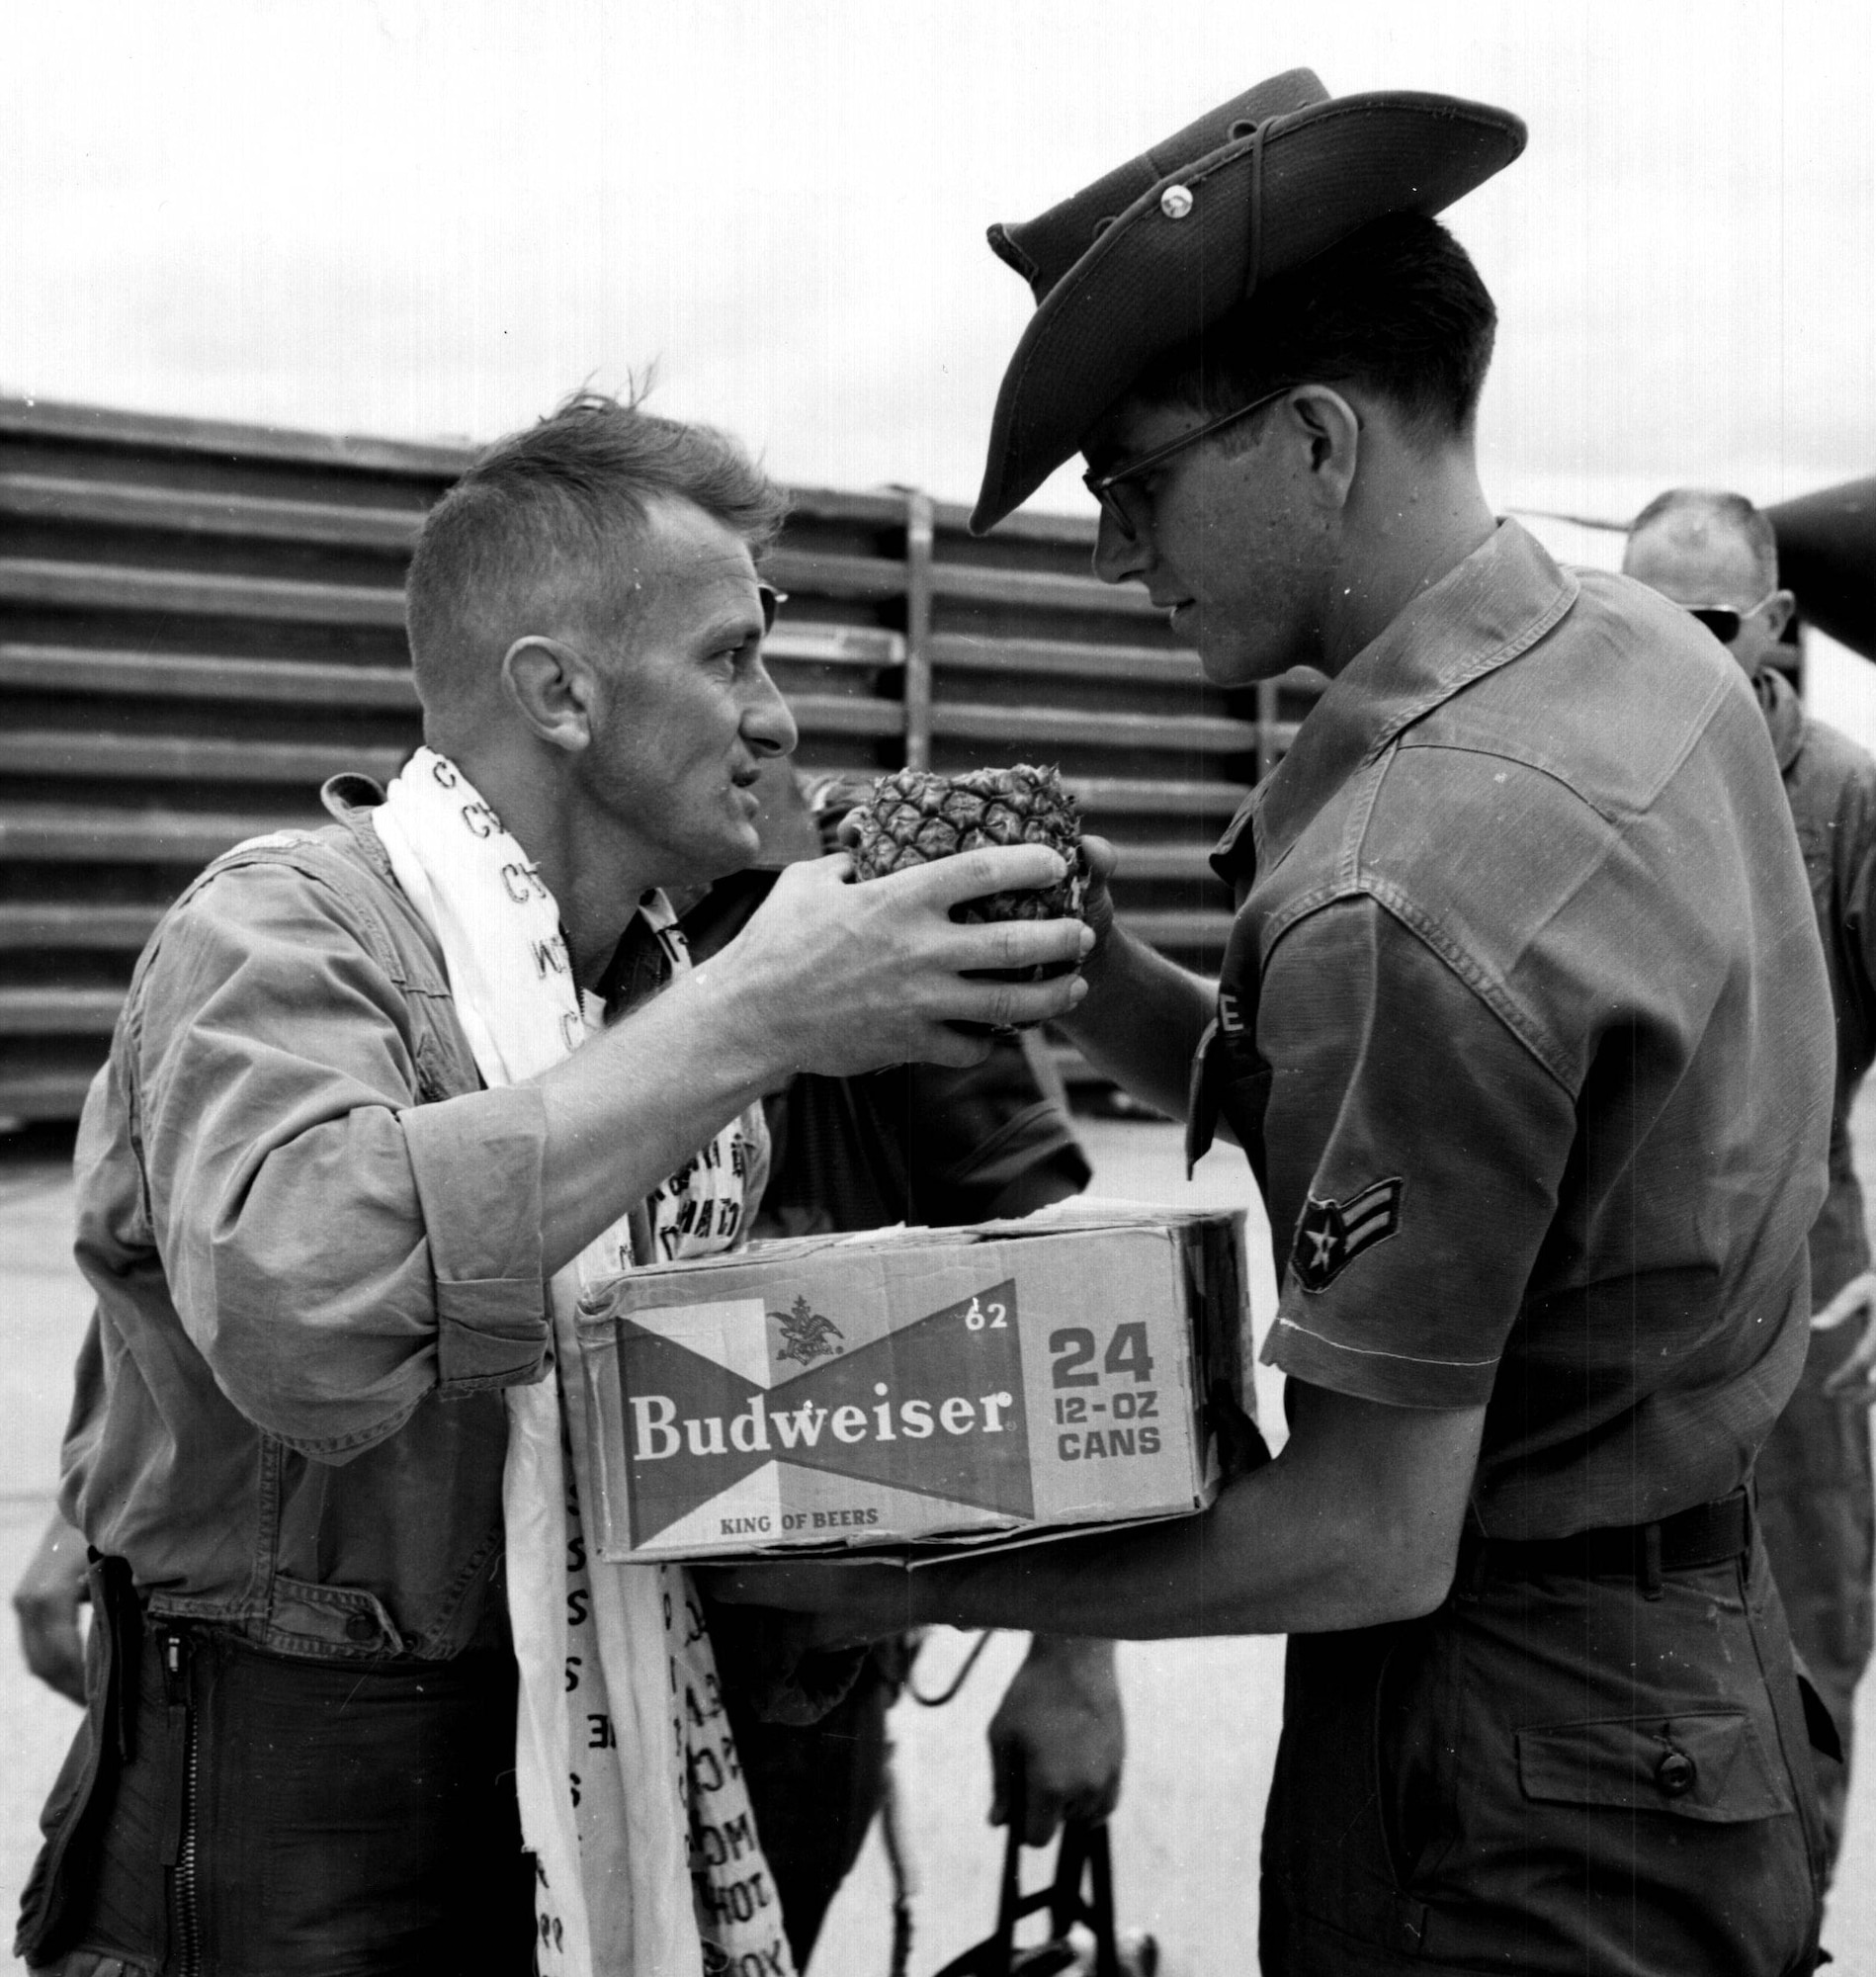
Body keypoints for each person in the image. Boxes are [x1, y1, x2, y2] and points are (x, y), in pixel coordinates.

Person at [711, 70, 1839, 1975]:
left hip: (1509, 1756)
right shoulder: (1630, 656)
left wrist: (876, 1579)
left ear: (1312, 441)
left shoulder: (1406, 884)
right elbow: (1486, 1135)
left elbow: (1363, 1536)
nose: (1111, 558)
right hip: (1683, 1657)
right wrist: (1108, 979)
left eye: (1133, 486)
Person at [15, 389, 1090, 1977]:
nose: (779, 715)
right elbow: (305, 1306)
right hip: (294, 1870)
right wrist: (750, 1018)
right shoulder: (282, 932)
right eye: (732, 656)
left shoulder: (633, 999)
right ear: (562, 695)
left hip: (566, 1798)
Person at [685, 760, 1120, 1967]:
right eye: (728, 652)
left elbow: (1057, 1300)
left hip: (799, 1676)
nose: (767, 715)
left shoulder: (878, 923)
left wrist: (1070, 1655)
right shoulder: (479, 936)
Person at [1625, 487, 1876, 1871]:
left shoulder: (1847, 800)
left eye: (1703, 626)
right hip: (1624, 1313)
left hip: (1800, 1296)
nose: (1662, 658)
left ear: (1774, 628)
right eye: (1634, 622)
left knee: (1801, 1665)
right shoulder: (1602, 792)